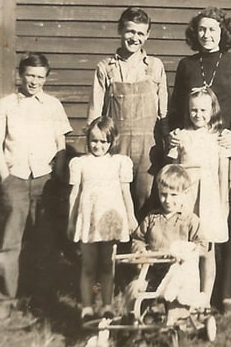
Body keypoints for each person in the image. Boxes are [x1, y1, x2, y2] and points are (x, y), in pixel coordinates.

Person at [167, 7, 231, 311]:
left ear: (223, 32)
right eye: (202, 30)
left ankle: (225, 293)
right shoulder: (186, 64)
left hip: (224, 149)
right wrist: (173, 133)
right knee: (189, 222)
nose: (207, 35)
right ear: (195, 33)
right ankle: (188, 290)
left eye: (213, 29)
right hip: (193, 154)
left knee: (224, 222)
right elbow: (176, 109)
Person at [0, 52, 73, 320]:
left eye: (40, 77)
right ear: (20, 76)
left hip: (46, 181)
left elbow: (61, 144)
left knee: (45, 242)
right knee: (9, 243)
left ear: (46, 78)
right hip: (16, 179)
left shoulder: (53, 105)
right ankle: (4, 299)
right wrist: (5, 177)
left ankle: (42, 297)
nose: (34, 81)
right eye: (30, 75)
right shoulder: (7, 105)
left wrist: (57, 176)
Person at [88, 7, 167, 220]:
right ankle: (114, 251)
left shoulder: (154, 66)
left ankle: (142, 250)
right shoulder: (106, 67)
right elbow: (95, 113)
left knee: (146, 198)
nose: (135, 38)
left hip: (148, 148)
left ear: (148, 35)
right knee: (114, 198)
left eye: (141, 33)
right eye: (130, 31)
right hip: (115, 144)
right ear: (120, 31)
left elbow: (163, 112)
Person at [168, 87, 231, 306]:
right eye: (194, 110)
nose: (198, 115)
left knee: (207, 249)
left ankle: (205, 299)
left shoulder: (220, 138)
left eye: (203, 110)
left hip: (209, 198)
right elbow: (172, 171)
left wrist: (224, 203)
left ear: (213, 110)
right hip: (185, 197)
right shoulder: (181, 137)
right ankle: (184, 296)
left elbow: (224, 174)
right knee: (185, 248)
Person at [68, 116, 138, 318]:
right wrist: (71, 221)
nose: (98, 145)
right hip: (88, 221)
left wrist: (131, 216)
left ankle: (106, 306)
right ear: (88, 139)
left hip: (110, 221)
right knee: (88, 266)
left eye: (103, 141)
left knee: (108, 265)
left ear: (111, 141)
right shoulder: (80, 163)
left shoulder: (119, 163)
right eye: (94, 140)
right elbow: (75, 195)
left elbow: (126, 194)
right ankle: (87, 307)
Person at [130, 164, 208, 309]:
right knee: (135, 289)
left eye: (173, 195)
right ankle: (132, 322)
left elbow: (202, 246)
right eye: (163, 194)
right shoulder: (152, 218)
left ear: (185, 193)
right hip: (152, 270)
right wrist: (141, 251)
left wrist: (187, 252)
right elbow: (138, 239)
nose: (167, 200)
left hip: (177, 272)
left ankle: (175, 323)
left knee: (176, 299)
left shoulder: (190, 220)